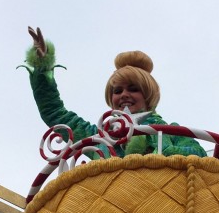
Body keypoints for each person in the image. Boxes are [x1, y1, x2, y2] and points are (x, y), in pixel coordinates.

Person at [24, 27, 206, 157]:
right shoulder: (99, 137)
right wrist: (42, 67)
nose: (124, 94)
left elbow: (199, 155)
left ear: (147, 95)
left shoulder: (168, 131)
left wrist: (159, 152)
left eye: (133, 89)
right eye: (117, 91)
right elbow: (55, 113)